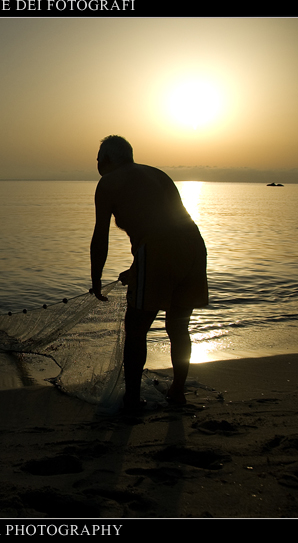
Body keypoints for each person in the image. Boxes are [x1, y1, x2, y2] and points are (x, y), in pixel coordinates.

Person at [89, 135, 208, 410]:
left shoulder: (108, 182)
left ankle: (132, 398)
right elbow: (164, 223)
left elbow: (101, 236)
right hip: (193, 245)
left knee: (136, 328)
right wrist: (137, 268)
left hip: (158, 249)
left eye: (97, 159)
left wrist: (96, 277)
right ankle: (177, 392)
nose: (96, 165)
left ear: (106, 160)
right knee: (178, 327)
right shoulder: (157, 173)